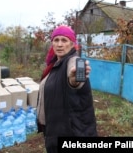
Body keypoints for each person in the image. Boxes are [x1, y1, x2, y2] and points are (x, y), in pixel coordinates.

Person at [36, 25, 97, 153]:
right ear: (52, 43)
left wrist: (74, 80)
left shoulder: (73, 60)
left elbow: (75, 80)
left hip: (70, 131)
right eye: (56, 40)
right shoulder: (54, 65)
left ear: (72, 44)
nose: (59, 44)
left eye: (64, 40)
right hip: (53, 128)